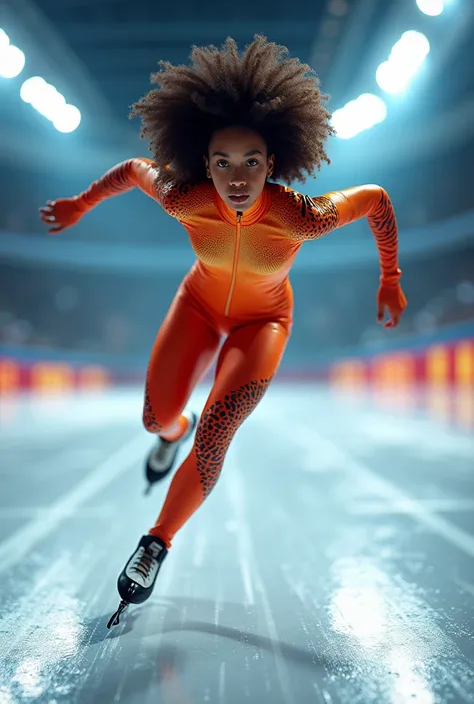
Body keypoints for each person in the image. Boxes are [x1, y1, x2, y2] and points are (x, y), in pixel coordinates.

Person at [39, 35, 407, 628]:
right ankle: (169, 433)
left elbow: (376, 200)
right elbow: (135, 170)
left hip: (263, 323)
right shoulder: (184, 198)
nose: (238, 178)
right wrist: (82, 203)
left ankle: (155, 541)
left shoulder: (300, 216)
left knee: (217, 431)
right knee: (158, 420)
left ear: (274, 161)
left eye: (252, 162)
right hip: (198, 307)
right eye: (223, 164)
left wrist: (390, 276)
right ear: (203, 164)